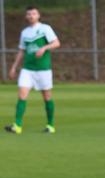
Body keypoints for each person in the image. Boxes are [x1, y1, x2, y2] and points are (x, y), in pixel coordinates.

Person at [4, 5, 60, 135]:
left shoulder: (45, 28)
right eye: (29, 14)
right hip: (27, 69)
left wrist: (44, 48)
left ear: (38, 15)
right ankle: (17, 126)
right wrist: (13, 67)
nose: (31, 16)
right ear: (26, 16)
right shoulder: (25, 32)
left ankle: (50, 125)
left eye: (33, 14)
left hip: (43, 69)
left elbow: (57, 43)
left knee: (47, 96)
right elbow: (22, 51)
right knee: (21, 94)